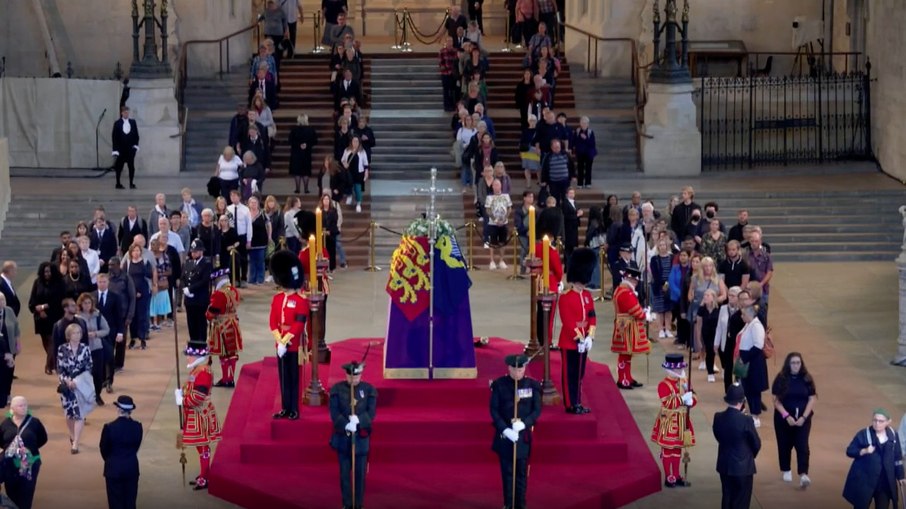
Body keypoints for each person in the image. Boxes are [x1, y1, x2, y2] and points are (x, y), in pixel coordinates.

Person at [490, 353, 542, 509]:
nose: (517, 373)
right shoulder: (499, 385)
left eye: (521, 370)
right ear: (509, 368)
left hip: (522, 437)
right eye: (514, 370)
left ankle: (520, 504)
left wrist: (525, 424)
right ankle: (508, 504)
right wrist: (505, 430)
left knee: (521, 474)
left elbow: (537, 410)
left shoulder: (532, 385)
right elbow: (494, 410)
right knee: (507, 474)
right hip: (506, 437)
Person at [329, 359, 378, 509]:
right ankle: (347, 504)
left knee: (360, 476)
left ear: (361, 376)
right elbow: (334, 412)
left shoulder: (369, 390)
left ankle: (358, 505)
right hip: (343, 439)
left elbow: (371, 413)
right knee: (344, 475)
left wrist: (359, 420)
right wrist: (346, 424)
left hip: (361, 441)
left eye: (356, 377)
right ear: (346, 375)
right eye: (351, 377)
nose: (353, 380)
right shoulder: (336, 389)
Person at [177, 339, 222, 491]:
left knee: (203, 446)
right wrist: (183, 392)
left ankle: (204, 477)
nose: (187, 358)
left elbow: (197, 397)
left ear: (197, 356)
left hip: (200, 414)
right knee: (200, 446)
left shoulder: (203, 372)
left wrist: (183, 400)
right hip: (197, 414)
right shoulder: (198, 369)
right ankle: (204, 474)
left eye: (189, 355)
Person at [269, 250, 309, 420]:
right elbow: (273, 321)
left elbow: (299, 325)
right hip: (280, 345)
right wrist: (279, 341)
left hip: (293, 346)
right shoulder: (277, 298)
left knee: (294, 378)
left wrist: (285, 341)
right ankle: (285, 407)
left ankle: (294, 408)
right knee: (283, 377)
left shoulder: (301, 301)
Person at [557, 248, 596, 414]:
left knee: (580, 374)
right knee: (569, 375)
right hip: (569, 342)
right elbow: (567, 322)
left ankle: (577, 402)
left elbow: (592, 317)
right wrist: (579, 338)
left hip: (583, 342)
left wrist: (590, 337)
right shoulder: (565, 297)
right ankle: (570, 404)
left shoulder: (587, 295)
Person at [844, 409, 906, 509]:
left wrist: (901, 476)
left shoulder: (894, 436)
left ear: (888, 422)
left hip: (884, 483)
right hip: (865, 481)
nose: (877, 424)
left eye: (881, 421)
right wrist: (864, 451)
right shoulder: (863, 434)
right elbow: (850, 450)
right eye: (875, 420)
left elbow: (897, 458)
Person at [771, 352, 816, 488]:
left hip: (803, 420)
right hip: (783, 419)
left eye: (798, 363)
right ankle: (786, 469)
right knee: (784, 444)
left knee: (802, 445)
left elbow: (811, 399)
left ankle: (803, 474)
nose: (796, 365)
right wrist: (786, 416)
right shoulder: (781, 378)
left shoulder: (807, 379)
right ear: (788, 364)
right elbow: (776, 401)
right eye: (793, 363)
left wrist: (804, 417)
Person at [651, 353, 696, 488]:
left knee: (677, 450)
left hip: (682, 420)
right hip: (669, 421)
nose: (680, 371)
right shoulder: (663, 385)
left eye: (680, 369)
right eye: (677, 369)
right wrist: (683, 399)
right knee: (668, 450)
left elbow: (694, 397)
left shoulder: (683, 382)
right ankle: (668, 476)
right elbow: (668, 403)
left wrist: (690, 398)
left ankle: (676, 475)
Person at [713, 384, 761, 509]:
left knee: (727, 497)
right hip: (743, 467)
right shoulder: (746, 420)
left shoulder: (718, 417)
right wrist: (749, 455)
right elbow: (756, 443)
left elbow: (718, 436)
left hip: (724, 464)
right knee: (741, 501)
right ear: (742, 402)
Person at [0, 397, 47, 509]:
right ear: (12, 409)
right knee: (11, 491)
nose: (23, 408)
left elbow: (43, 439)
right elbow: (1, 441)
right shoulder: (6, 424)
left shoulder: (34, 422)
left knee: (26, 492)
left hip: (30, 463)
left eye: (25, 405)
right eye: (20, 406)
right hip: (10, 464)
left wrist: (30, 450)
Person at [611, 266, 651, 389]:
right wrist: (645, 315)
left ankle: (627, 377)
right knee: (625, 354)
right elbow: (635, 311)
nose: (636, 283)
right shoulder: (626, 293)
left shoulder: (621, 290)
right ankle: (622, 379)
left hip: (624, 324)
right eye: (635, 281)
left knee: (627, 354)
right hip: (627, 326)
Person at [57, 322, 95, 454]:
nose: (77, 335)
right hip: (67, 387)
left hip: (80, 385)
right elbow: (60, 369)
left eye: (79, 333)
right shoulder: (62, 349)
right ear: (69, 335)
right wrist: (67, 381)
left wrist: (77, 381)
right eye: (74, 333)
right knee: (69, 415)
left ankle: (76, 443)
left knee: (79, 414)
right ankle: (72, 435)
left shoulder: (85, 348)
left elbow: (89, 366)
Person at [100, 395, 142, 509]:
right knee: (130, 501)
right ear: (131, 411)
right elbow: (136, 446)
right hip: (131, 467)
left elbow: (104, 449)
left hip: (113, 469)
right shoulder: (137, 427)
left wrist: (110, 460)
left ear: (118, 409)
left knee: (115, 502)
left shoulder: (109, 428)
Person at [206, 268, 242, 388]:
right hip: (233, 324)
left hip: (222, 325)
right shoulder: (234, 291)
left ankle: (227, 379)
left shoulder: (218, 294)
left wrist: (207, 316)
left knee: (224, 353)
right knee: (232, 352)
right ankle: (230, 378)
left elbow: (213, 311)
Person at [28, 262, 65, 375]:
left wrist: (44, 306)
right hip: (41, 318)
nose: (47, 273)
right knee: (46, 342)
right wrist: (38, 309)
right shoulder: (37, 282)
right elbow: (33, 300)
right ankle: (54, 362)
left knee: (52, 341)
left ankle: (48, 365)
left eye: (49, 271)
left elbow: (59, 300)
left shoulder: (59, 283)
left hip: (54, 316)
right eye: (45, 271)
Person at [76, 293, 110, 406]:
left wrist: (96, 334)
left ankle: (97, 394)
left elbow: (106, 329)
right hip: (83, 350)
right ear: (81, 304)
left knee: (97, 373)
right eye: (85, 303)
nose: (87, 305)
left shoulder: (97, 315)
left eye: (89, 303)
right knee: (84, 374)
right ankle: (85, 396)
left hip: (96, 348)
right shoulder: (77, 317)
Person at [737, 305, 767, 427]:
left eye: (743, 314)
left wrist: (745, 358)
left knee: (754, 389)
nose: (741, 316)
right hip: (747, 359)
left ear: (749, 315)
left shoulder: (756, 326)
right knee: (747, 388)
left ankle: (756, 415)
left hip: (753, 362)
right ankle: (752, 412)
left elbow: (758, 345)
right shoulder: (749, 325)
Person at [183, 239, 213, 353]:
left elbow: (204, 281)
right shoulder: (188, 263)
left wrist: (191, 289)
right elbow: (184, 277)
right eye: (192, 251)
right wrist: (185, 288)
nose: (193, 253)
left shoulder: (206, 264)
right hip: (189, 300)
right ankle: (193, 343)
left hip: (200, 299)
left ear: (201, 252)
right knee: (191, 322)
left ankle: (201, 345)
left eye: (196, 251)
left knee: (200, 322)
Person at [288, 114, 319, 194]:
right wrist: (307, 145)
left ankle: (297, 188)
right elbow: (315, 140)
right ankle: (306, 189)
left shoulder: (294, 129)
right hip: (306, 153)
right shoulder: (311, 129)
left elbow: (290, 140)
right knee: (306, 171)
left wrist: (298, 145)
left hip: (296, 152)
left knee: (297, 171)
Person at [111, 106, 140, 190]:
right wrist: (115, 150)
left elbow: (136, 135)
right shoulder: (117, 123)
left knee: (131, 167)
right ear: (122, 113)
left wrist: (135, 146)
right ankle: (118, 183)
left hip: (130, 149)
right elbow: (114, 137)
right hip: (121, 149)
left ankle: (131, 183)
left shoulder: (133, 122)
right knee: (119, 167)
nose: (126, 113)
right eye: (124, 112)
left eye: (127, 112)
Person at [0, 294, 18, 407]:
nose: (1, 302)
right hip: (0, 350)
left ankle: (7, 394)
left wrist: (18, 343)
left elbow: (16, 327)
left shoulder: (9, 311)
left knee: (9, 373)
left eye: (2, 299)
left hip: (10, 347)